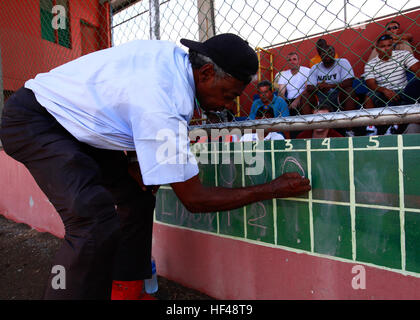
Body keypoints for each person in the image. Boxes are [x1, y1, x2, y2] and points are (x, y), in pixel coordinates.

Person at [0, 33, 311, 300]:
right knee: (93, 221)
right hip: (35, 120)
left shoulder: (175, 61)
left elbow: (124, 101)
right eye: (229, 95)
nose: (230, 105)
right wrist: (272, 188)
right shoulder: (165, 98)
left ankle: (127, 290)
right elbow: (194, 199)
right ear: (204, 74)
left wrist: (137, 160)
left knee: (136, 197)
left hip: (82, 127)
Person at [364, 34, 420, 135]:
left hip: (403, 90)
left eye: (389, 45)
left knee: (414, 87)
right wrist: (384, 90)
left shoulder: (402, 54)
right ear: (376, 48)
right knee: (369, 96)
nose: (386, 49)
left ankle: (395, 126)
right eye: (382, 46)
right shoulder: (371, 64)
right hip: (382, 91)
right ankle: (371, 128)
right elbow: (370, 84)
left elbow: (417, 69)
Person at [303, 45, 357, 114]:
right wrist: (319, 87)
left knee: (349, 91)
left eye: (330, 52)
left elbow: (349, 82)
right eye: (324, 53)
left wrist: (329, 86)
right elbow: (309, 87)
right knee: (305, 97)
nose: (327, 55)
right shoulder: (315, 67)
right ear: (320, 56)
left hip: (338, 94)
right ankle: (308, 123)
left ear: (334, 54)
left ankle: (350, 122)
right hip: (320, 96)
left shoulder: (343, 62)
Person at [276, 52, 311, 116]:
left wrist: (297, 100)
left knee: (305, 98)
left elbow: (308, 89)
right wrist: (284, 104)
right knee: (278, 101)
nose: (292, 62)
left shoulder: (306, 71)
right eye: (289, 60)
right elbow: (281, 92)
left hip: (303, 98)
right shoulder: (284, 74)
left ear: (299, 61)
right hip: (289, 100)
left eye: (294, 59)